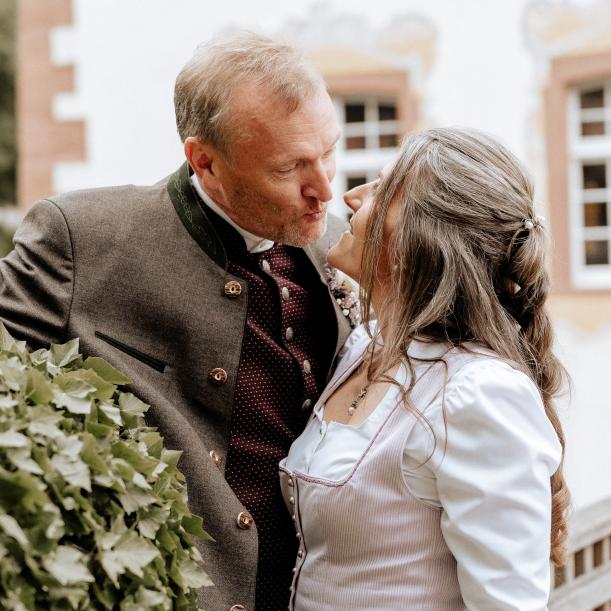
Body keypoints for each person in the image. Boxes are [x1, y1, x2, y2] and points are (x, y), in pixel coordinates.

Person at [1, 33, 352, 610]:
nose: (324, 188)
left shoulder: (340, 247)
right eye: (291, 167)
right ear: (204, 160)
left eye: (329, 152)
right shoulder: (80, 239)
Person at [280, 127, 570, 610]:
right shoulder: (363, 345)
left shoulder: (477, 392)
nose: (350, 197)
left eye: (380, 189)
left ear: (423, 235)